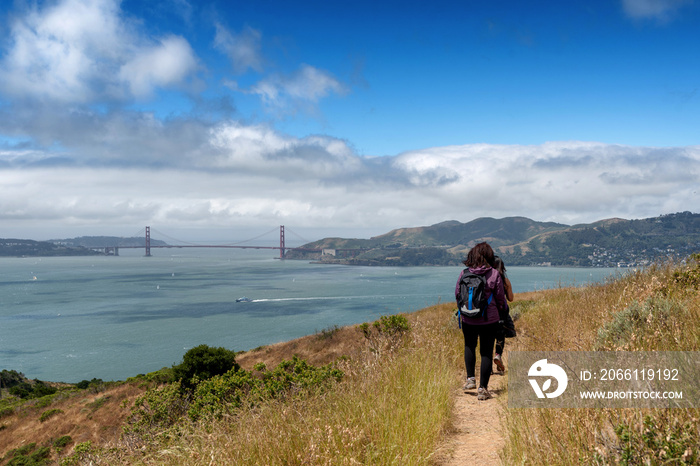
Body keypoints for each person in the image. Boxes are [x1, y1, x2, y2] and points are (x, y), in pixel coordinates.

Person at [454, 242, 507, 401]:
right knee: (486, 351)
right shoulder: (493, 274)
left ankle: (470, 379)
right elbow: (500, 299)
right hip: (488, 320)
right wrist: (502, 312)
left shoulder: (463, 273)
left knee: (469, 346)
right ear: (489, 257)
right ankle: (483, 389)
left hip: (468, 318)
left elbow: (457, 294)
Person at [493, 256, 515, 373]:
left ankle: (487, 366)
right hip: (501, 313)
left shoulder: (486, 279)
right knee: (500, 336)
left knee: (488, 337)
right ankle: (498, 355)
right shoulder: (505, 280)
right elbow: (510, 298)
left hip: (488, 313)